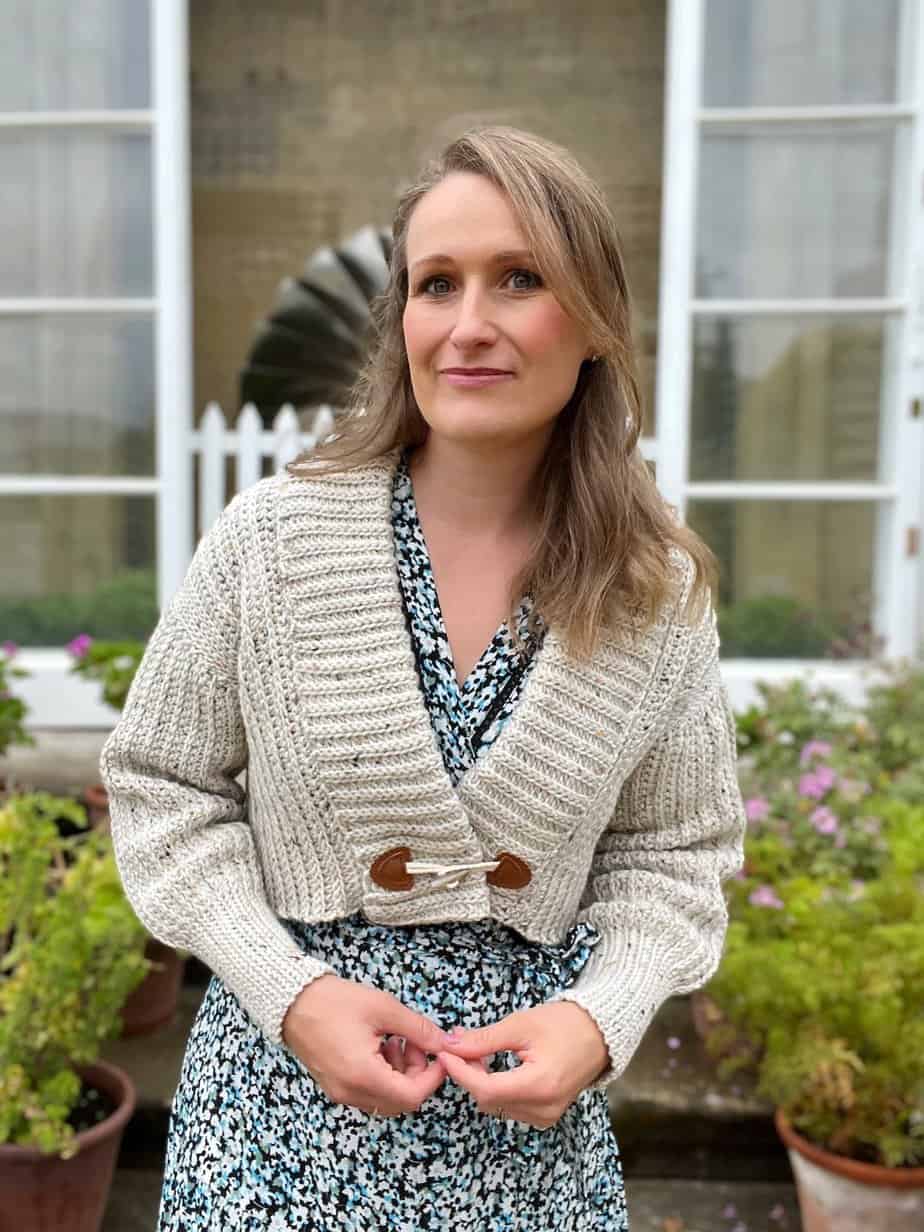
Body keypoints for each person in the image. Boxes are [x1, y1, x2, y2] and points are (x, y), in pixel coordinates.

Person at [101, 124, 746, 1231]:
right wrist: (288, 992)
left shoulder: (654, 592)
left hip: (527, 1157)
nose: (469, 325)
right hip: (274, 1128)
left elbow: (675, 855)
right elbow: (164, 785)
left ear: (591, 318)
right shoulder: (273, 541)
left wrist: (601, 1020)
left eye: (520, 279)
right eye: (436, 283)